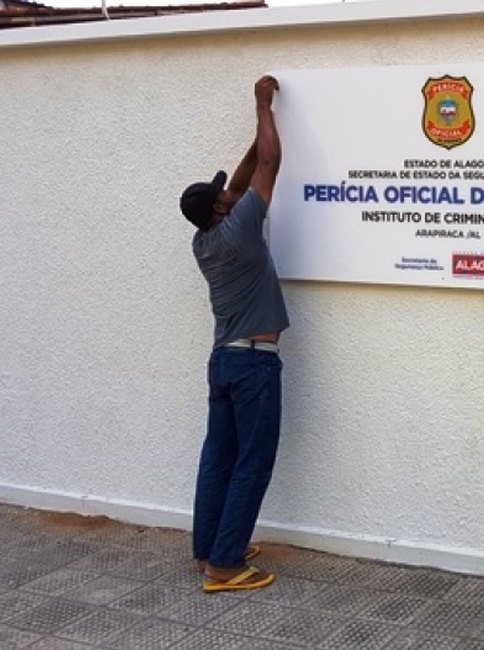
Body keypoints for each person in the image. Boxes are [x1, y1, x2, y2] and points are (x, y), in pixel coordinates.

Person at [179, 74, 288, 592]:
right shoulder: (240, 228)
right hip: (253, 364)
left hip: (223, 360)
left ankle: (210, 548)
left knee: (218, 454)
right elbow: (267, 166)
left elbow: (244, 179)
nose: (230, 190)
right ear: (222, 209)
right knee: (252, 460)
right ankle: (225, 566)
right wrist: (262, 103)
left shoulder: (206, 240)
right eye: (223, 193)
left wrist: (258, 122)